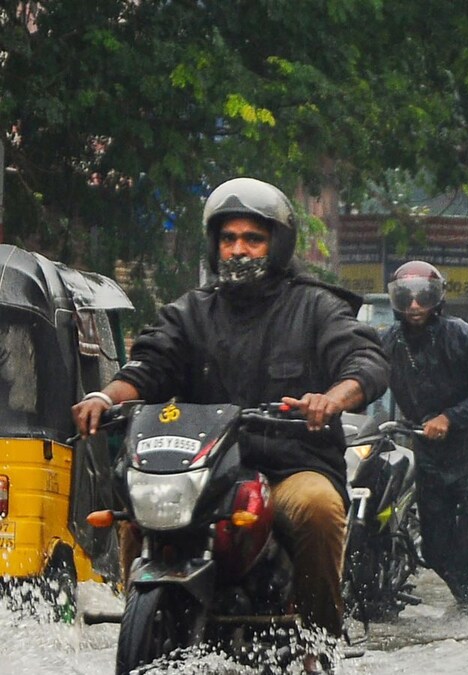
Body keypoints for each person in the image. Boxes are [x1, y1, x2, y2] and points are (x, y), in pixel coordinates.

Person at [72, 177, 388, 672]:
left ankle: (317, 640)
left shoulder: (315, 307)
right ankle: (140, 604)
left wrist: (332, 398)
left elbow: (364, 361)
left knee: (321, 509)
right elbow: (148, 368)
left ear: (277, 244)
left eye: (252, 238)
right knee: (139, 509)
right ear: (214, 244)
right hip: (205, 474)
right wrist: (102, 396)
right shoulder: (191, 312)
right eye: (228, 238)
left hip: (289, 468)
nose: (238, 249)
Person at [382, 260, 468, 613]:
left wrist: (450, 418)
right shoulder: (387, 341)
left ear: (437, 299)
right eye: (407, 298)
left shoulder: (464, 336)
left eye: (423, 297)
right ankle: (466, 596)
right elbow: (366, 377)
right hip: (429, 452)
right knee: (434, 545)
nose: (415, 306)